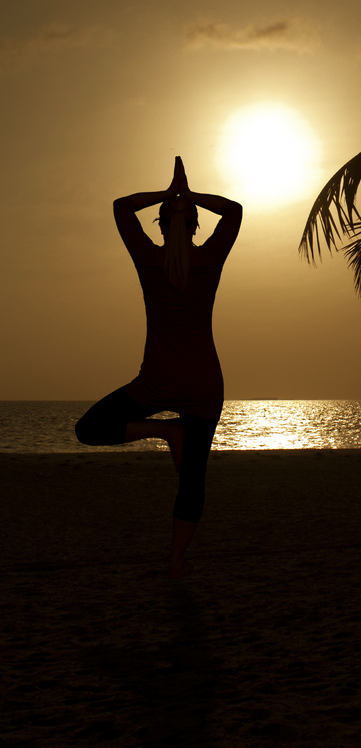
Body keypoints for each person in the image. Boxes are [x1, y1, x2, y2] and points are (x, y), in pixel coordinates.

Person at [75, 157, 242, 579]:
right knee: (193, 478)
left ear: (162, 225)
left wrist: (170, 194)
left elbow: (120, 206)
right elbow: (235, 211)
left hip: (157, 382)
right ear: (195, 227)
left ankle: (166, 431)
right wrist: (190, 195)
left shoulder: (149, 258)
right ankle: (175, 562)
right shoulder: (209, 260)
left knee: (90, 428)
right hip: (204, 382)